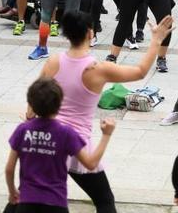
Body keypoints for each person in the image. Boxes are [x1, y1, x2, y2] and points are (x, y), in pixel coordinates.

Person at [33, 11, 173, 213]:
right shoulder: (98, 69)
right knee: (104, 200)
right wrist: (156, 40)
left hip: (48, 138)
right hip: (77, 143)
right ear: (90, 33)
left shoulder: (53, 61)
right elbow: (140, 71)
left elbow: (34, 100)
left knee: (28, 195)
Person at [6, 78, 114, 213]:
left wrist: (12, 191)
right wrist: (106, 135)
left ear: (31, 103)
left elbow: (9, 169)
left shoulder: (23, 130)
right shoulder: (66, 133)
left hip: (27, 202)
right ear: (59, 105)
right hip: (56, 203)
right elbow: (91, 164)